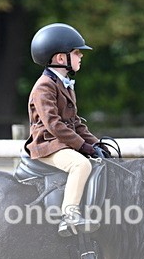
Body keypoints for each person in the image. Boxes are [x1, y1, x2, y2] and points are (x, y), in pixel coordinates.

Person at [25, 23, 104, 237]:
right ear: (61, 58)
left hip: (59, 143)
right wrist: (82, 146)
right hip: (47, 146)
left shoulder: (63, 84)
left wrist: (96, 144)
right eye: (77, 53)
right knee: (80, 164)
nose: (81, 56)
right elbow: (54, 125)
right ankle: (69, 216)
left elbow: (75, 122)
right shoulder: (44, 86)